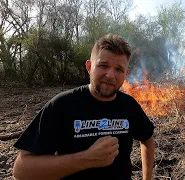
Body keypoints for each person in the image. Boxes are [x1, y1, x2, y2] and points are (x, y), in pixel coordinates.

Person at [12, 34, 155, 180]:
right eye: (103, 65)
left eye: (119, 69)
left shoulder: (129, 105)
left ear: (126, 74)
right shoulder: (63, 105)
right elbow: (21, 170)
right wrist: (86, 159)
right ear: (89, 67)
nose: (111, 75)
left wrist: (147, 178)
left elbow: (147, 139)